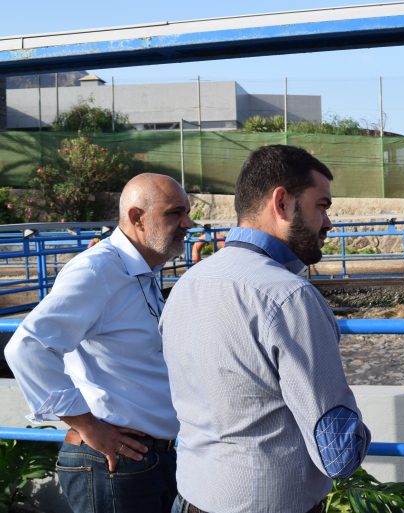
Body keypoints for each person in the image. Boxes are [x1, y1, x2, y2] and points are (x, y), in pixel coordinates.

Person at [161, 144, 370, 513]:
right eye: (321, 206)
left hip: (191, 498)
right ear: (282, 203)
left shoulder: (187, 285)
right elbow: (338, 454)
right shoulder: (290, 296)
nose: (328, 223)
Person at [4, 173, 193, 513]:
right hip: (114, 463)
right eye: (175, 213)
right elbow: (27, 346)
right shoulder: (97, 270)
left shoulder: (142, 270)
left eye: (187, 213)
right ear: (137, 218)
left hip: (146, 459)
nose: (187, 223)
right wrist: (87, 425)